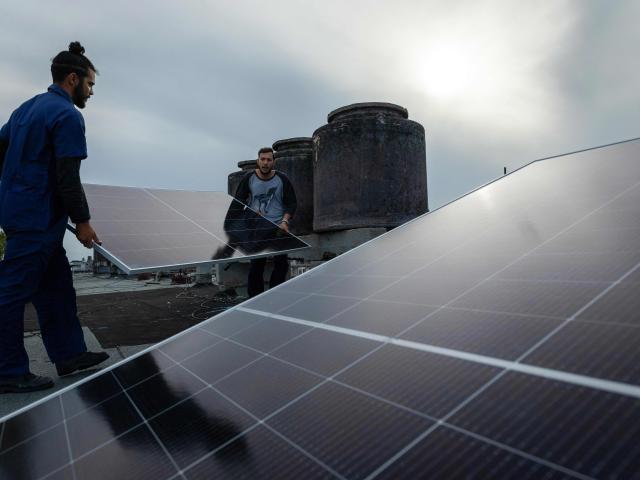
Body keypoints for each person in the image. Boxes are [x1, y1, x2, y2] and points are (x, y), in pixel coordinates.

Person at [0, 42, 109, 393]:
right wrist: (83, 221)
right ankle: (7, 371)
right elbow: (67, 176)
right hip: (35, 219)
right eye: (90, 85)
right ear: (73, 79)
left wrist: (16, 185)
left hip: (26, 212)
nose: (91, 92)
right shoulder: (67, 116)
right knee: (11, 293)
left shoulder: (25, 109)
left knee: (57, 287)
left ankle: (69, 354)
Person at [234, 147, 297, 297]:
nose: (265, 162)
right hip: (257, 228)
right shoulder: (249, 178)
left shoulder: (282, 179)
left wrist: (285, 221)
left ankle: (275, 295)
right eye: (262, 159)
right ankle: (255, 299)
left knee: (281, 264)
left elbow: (291, 203)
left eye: (269, 160)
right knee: (256, 265)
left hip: (278, 227)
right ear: (258, 161)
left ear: (273, 162)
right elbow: (238, 201)